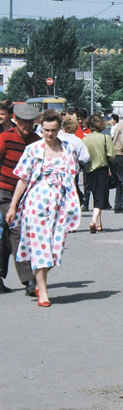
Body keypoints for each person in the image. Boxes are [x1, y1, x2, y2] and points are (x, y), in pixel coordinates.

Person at [5, 110, 83, 306]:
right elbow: (22, 179)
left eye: (53, 130)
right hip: (36, 202)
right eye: (46, 130)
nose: (49, 134)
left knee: (54, 248)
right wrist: (13, 206)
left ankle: (40, 280)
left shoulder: (67, 149)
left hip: (59, 204)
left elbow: (72, 177)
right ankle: (44, 292)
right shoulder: (33, 149)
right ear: (41, 129)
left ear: (59, 129)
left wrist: (73, 201)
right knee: (41, 248)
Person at [0, 103, 40, 294]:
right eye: (23, 123)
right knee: (17, 230)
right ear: (16, 121)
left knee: (7, 237)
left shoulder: (35, 141)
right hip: (4, 193)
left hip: (27, 195)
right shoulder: (5, 139)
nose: (27, 127)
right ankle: (28, 280)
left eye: (30, 123)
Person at [82, 114, 114, 234]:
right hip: (102, 169)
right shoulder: (105, 138)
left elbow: (83, 157)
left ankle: (99, 224)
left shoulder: (85, 139)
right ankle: (93, 221)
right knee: (101, 196)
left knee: (96, 195)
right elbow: (111, 155)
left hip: (89, 170)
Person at [58, 114, 90, 217]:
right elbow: (85, 158)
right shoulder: (77, 141)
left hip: (57, 170)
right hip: (71, 172)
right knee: (71, 192)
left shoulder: (57, 137)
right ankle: (70, 214)